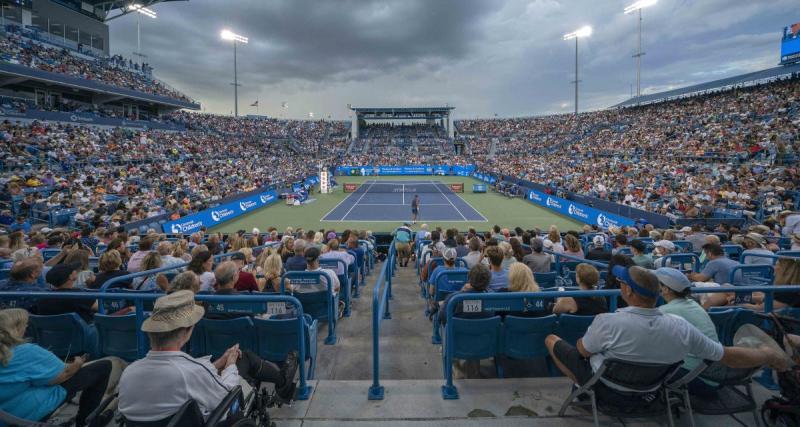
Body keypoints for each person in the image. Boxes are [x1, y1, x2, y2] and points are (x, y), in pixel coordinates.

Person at [544, 265, 791, 395]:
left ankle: (583, 391)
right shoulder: (680, 326)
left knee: (554, 340)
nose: (619, 285)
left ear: (628, 291)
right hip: (652, 388)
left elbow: (583, 351)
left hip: (607, 386)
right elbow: (726, 355)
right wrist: (766, 354)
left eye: (621, 283)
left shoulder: (607, 321)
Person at [118, 291, 298, 422]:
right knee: (245, 358)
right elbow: (225, 394)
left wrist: (218, 363)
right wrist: (229, 365)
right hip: (214, 415)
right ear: (187, 331)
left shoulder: (129, 372)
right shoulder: (189, 371)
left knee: (244, 357)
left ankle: (282, 382)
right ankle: (282, 383)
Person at [0, 308, 112, 426]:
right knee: (103, 367)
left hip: (5, 412)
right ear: (16, 329)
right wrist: (78, 363)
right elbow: (65, 374)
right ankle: (85, 422)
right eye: (25, 325)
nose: (26, 327)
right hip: (21, 416)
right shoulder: (26, 352)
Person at [654, 267, 721, 396]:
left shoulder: (666, 311)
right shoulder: (692, 304)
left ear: (666, 289)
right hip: (712, 375)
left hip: (697, 378)